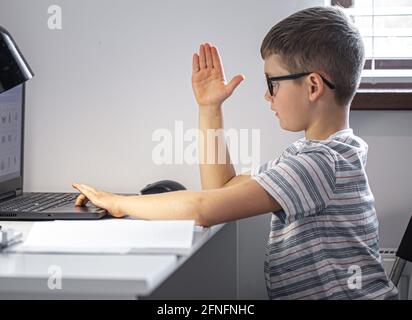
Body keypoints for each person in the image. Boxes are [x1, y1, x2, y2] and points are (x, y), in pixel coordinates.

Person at [72, 6, 398, 300]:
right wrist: (210, 109)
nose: (267, 96)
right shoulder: (315, 155)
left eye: (273, 83)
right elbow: (221, 192)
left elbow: (203, 207)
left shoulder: (321, 164)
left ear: (313, 86)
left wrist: (117, 203)